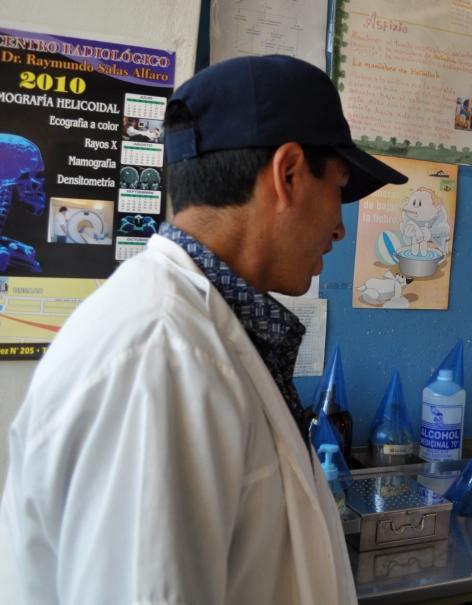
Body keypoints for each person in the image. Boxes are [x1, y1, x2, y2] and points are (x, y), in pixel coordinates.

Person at [1, 55, 407, 605]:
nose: (338, 226)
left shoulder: (202, 329)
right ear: (288, 175)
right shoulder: (157, 358)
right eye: (337, 187)